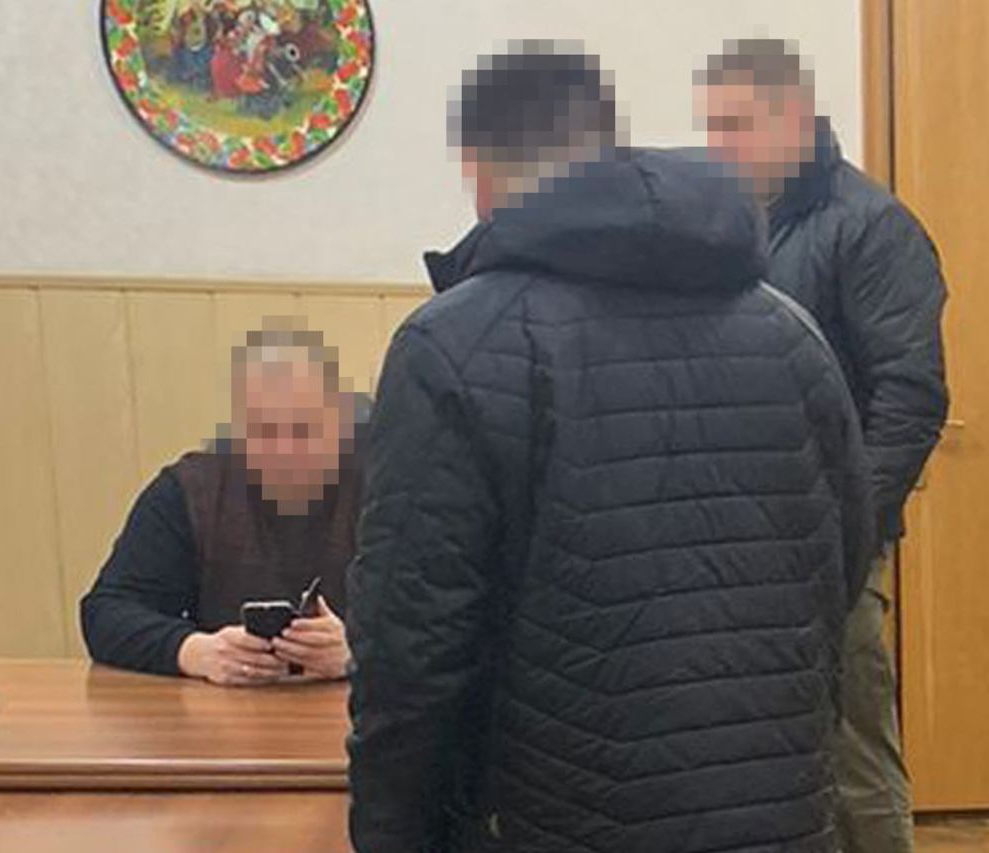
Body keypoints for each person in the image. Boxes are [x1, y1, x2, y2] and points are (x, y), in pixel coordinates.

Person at [347, 41, 873, 853]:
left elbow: (412, 644)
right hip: (780, 813)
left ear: (480, 175)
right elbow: (840, 565)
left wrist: (390, 833)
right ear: (609, 147)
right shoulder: (792, 333)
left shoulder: (455, 344)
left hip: (553, 816)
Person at [698, 39, 948, 853]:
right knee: (756, 753)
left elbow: (910, 398)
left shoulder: (873, 226)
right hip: (738, 538)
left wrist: (844, 530)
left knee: (853, 759)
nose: (718, 147)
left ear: (797, 118)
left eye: (736, 125)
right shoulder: (726, 227)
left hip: (830, 543)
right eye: (711, 127)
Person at [81, 322, 363, 687]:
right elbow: (106, 612)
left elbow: (433, 622)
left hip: (354, 712)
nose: (284, 450)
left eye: (303, 430)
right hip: (219, 709)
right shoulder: (191, 492)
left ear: (340, 425)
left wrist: (361, 652)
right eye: (264, 431)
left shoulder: (386, 489)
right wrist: (193, 651)